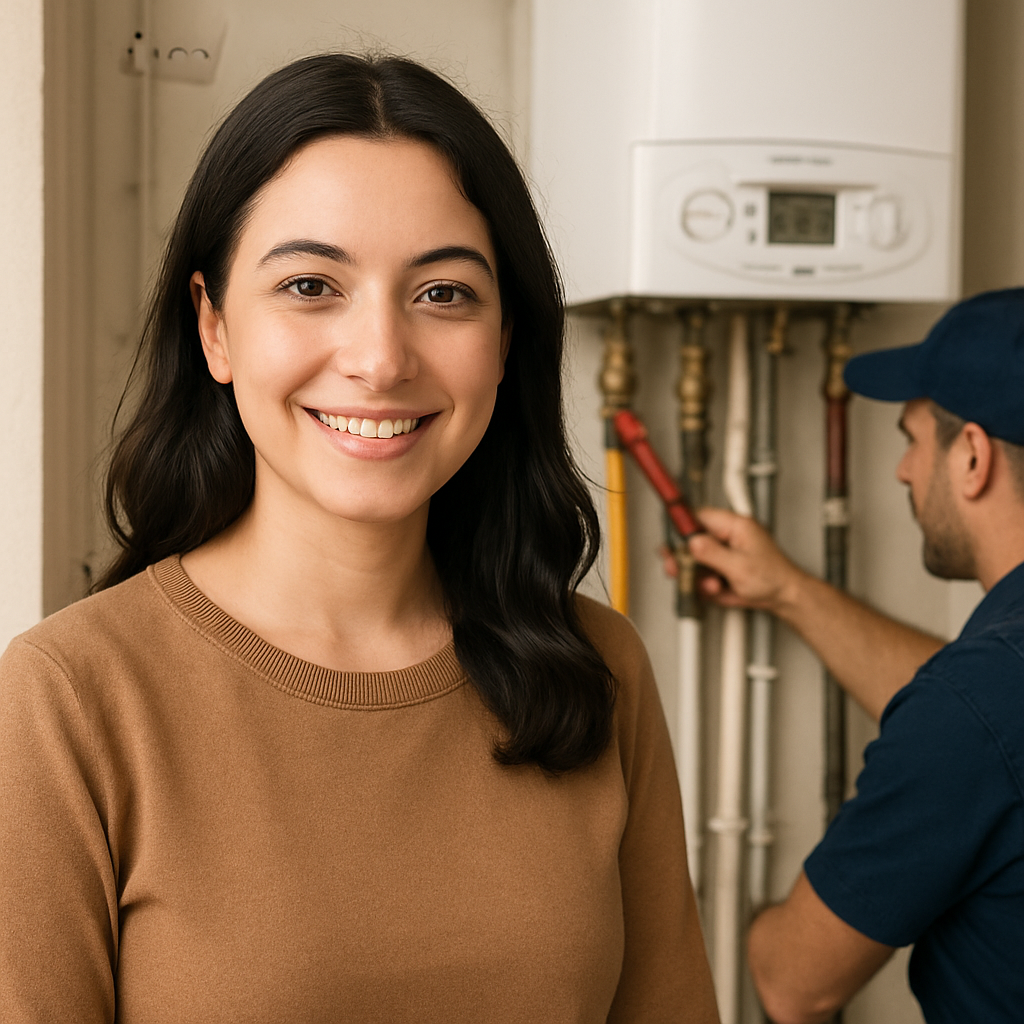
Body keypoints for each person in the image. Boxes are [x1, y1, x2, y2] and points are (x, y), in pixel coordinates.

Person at [0, 54, 718, 1023]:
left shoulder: (598, 667)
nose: (380, 359)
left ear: (506, 340)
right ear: (214, 327)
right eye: (310, 285)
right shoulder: (69, 697)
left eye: (443, 294)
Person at [689, 288, 1024, 1024]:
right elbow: (985, 726)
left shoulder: (977, 704)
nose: (903, 471)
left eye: (913, 439)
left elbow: (794, 984)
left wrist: (750, 922)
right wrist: (789, 590)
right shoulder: (989, 694)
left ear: (972, 456)